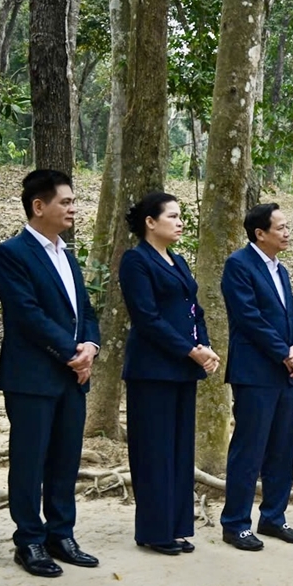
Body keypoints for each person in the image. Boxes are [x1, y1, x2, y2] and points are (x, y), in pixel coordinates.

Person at [0, 170, 101, 578]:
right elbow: (26, 315)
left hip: (74, 374)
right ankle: (30, 540)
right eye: (66, 202)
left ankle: (62, 533)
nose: (73, 208)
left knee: (65, 458)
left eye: (74, 202)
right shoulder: (13, 253)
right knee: (29, 459)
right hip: (33, 376)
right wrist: (70, 351)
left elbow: (85, 312)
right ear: (39, 206)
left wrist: (90, 345)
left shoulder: (66, 254)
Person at [118, 192, 220, 556]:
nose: (179, 223)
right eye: (173, 216)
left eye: (181, 217)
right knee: (153, 450)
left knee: (178, 449)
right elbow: (147, 318)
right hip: (152, 371)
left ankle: (176, 527)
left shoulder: (177, 261)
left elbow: (194, 309)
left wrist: (204, 348)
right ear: (150, 221)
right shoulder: (136, 261)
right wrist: (190, 350)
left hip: (182, 370)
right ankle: (153, 530)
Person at [219, 203, 293, 551]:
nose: (287, 233)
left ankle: (274, 517)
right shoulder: (238, 265)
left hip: (286, 373)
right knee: (249, 448)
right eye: (281, 227)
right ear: (260, 233)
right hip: (256, 372)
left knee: (282, 449)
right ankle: (236, 523)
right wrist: (283, 351)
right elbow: (248, 317)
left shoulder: (281, 270)